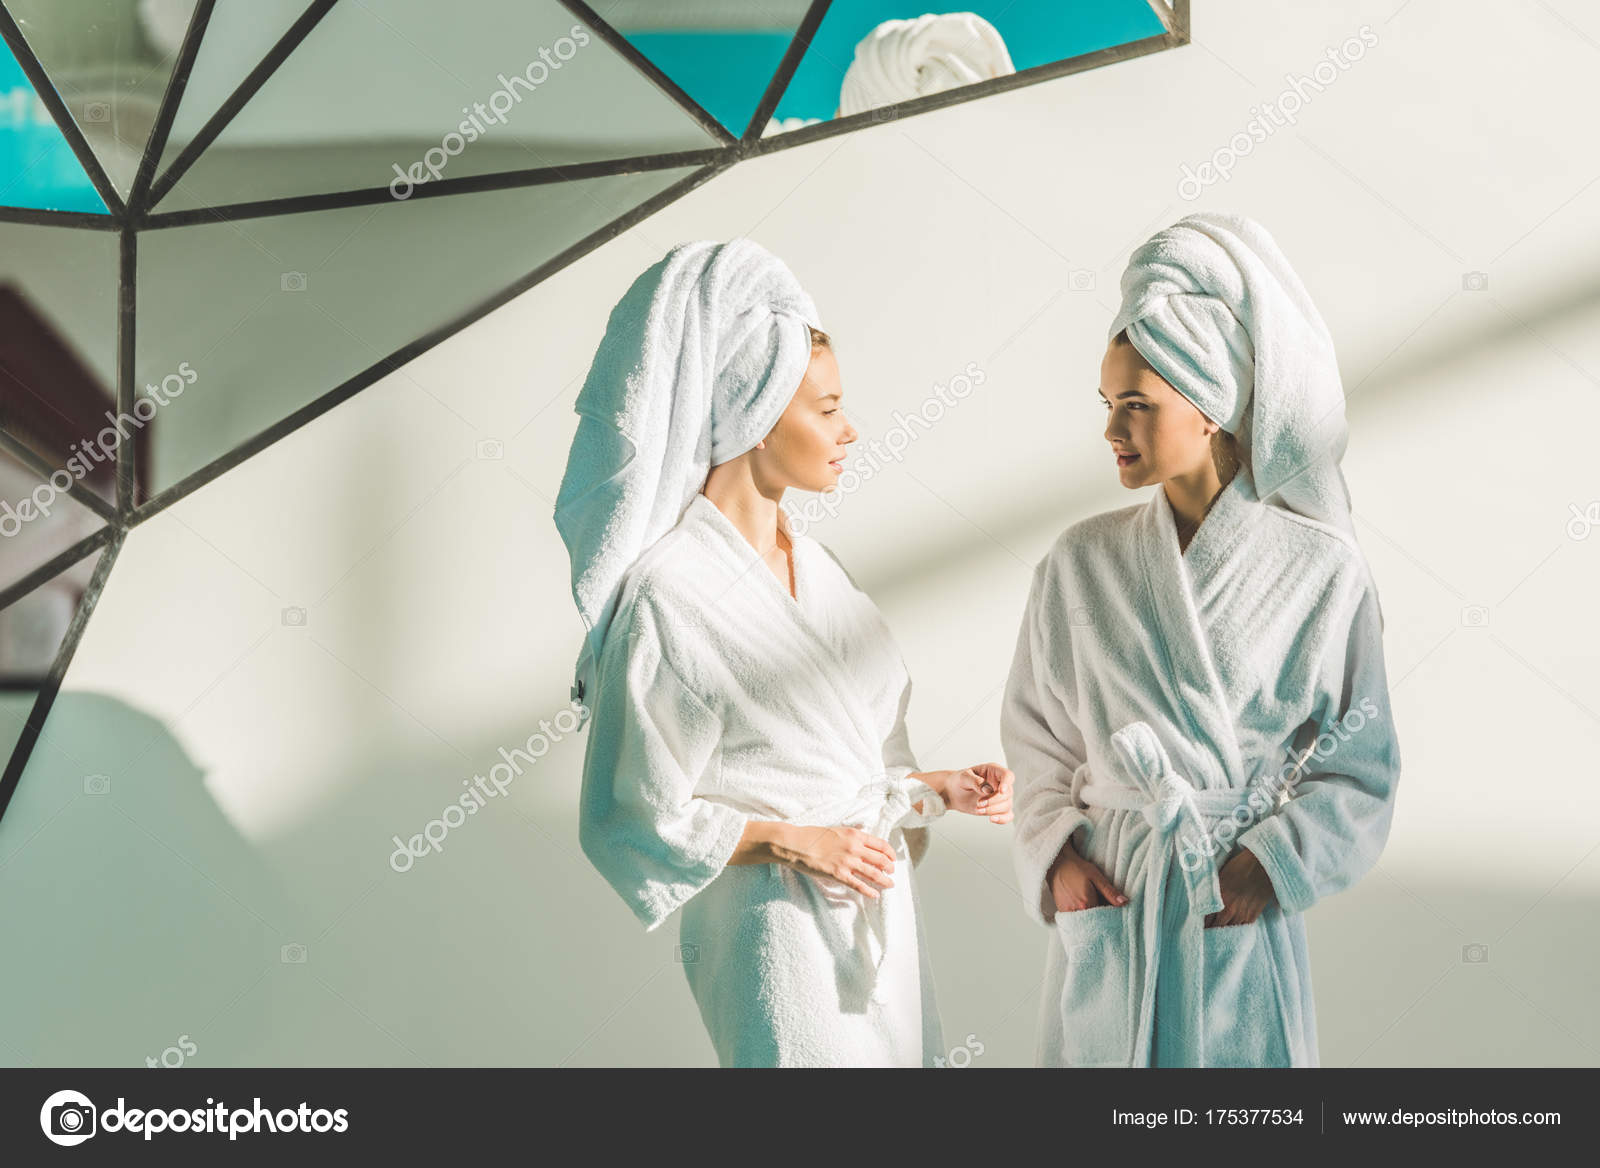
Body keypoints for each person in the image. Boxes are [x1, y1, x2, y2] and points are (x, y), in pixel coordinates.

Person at [555, 238, 1014, 1067]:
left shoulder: (824, 576)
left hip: (874, 916)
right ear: (755, 416)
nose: (851, 429)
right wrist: (791, 840)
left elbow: (835, 763)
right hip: (772, 933)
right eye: (827, 408)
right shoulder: (672, 593)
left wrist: (931, 791)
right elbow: (628, 811)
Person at [1002, 212, 1401, 1067]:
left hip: (1231, 900)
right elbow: (1036, 735)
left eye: (1138, 405)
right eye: (1109, 405)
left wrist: (1271, 865)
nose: (1113, 430)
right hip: (1115, 894)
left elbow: (1361, 765)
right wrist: (1058, 857)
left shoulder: (1321, 570)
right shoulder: (1080, 560)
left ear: (1213, 402)